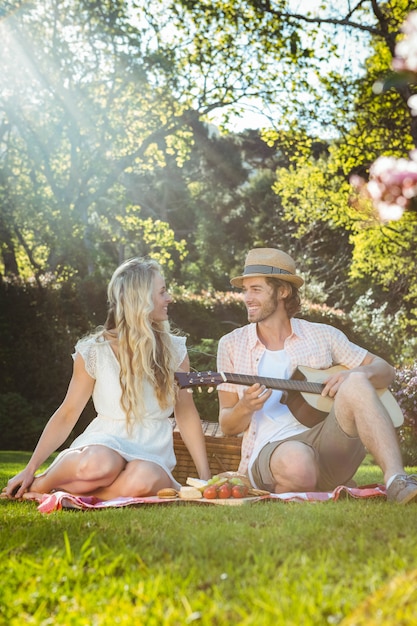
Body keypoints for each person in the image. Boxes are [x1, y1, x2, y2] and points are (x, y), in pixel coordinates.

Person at [216, 247, 417, 504]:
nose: (247, 297)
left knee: (356, 380)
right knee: (298, 464)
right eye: (245, 290)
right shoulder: (231, 344)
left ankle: (397, 481)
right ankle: (320, 486)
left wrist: (356, 375)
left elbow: (384, 370)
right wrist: (244, 407)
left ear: (283, 291)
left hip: (329, 443)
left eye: (256, 289)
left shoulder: (323, 335)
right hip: (273, 450)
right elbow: (226, 424)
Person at [2, 257, 210, 501]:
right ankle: (40, 485)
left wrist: (205, 477)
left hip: (152, 448)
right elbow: (68, 412)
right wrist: (30, 468)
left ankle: (68, 496)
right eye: (162, 292)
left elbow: (185, 414)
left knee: (143, 481)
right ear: (139, 300)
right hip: (104, 441)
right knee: (100, 465)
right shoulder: (93, 350)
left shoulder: (175, 350)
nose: (169, 298)